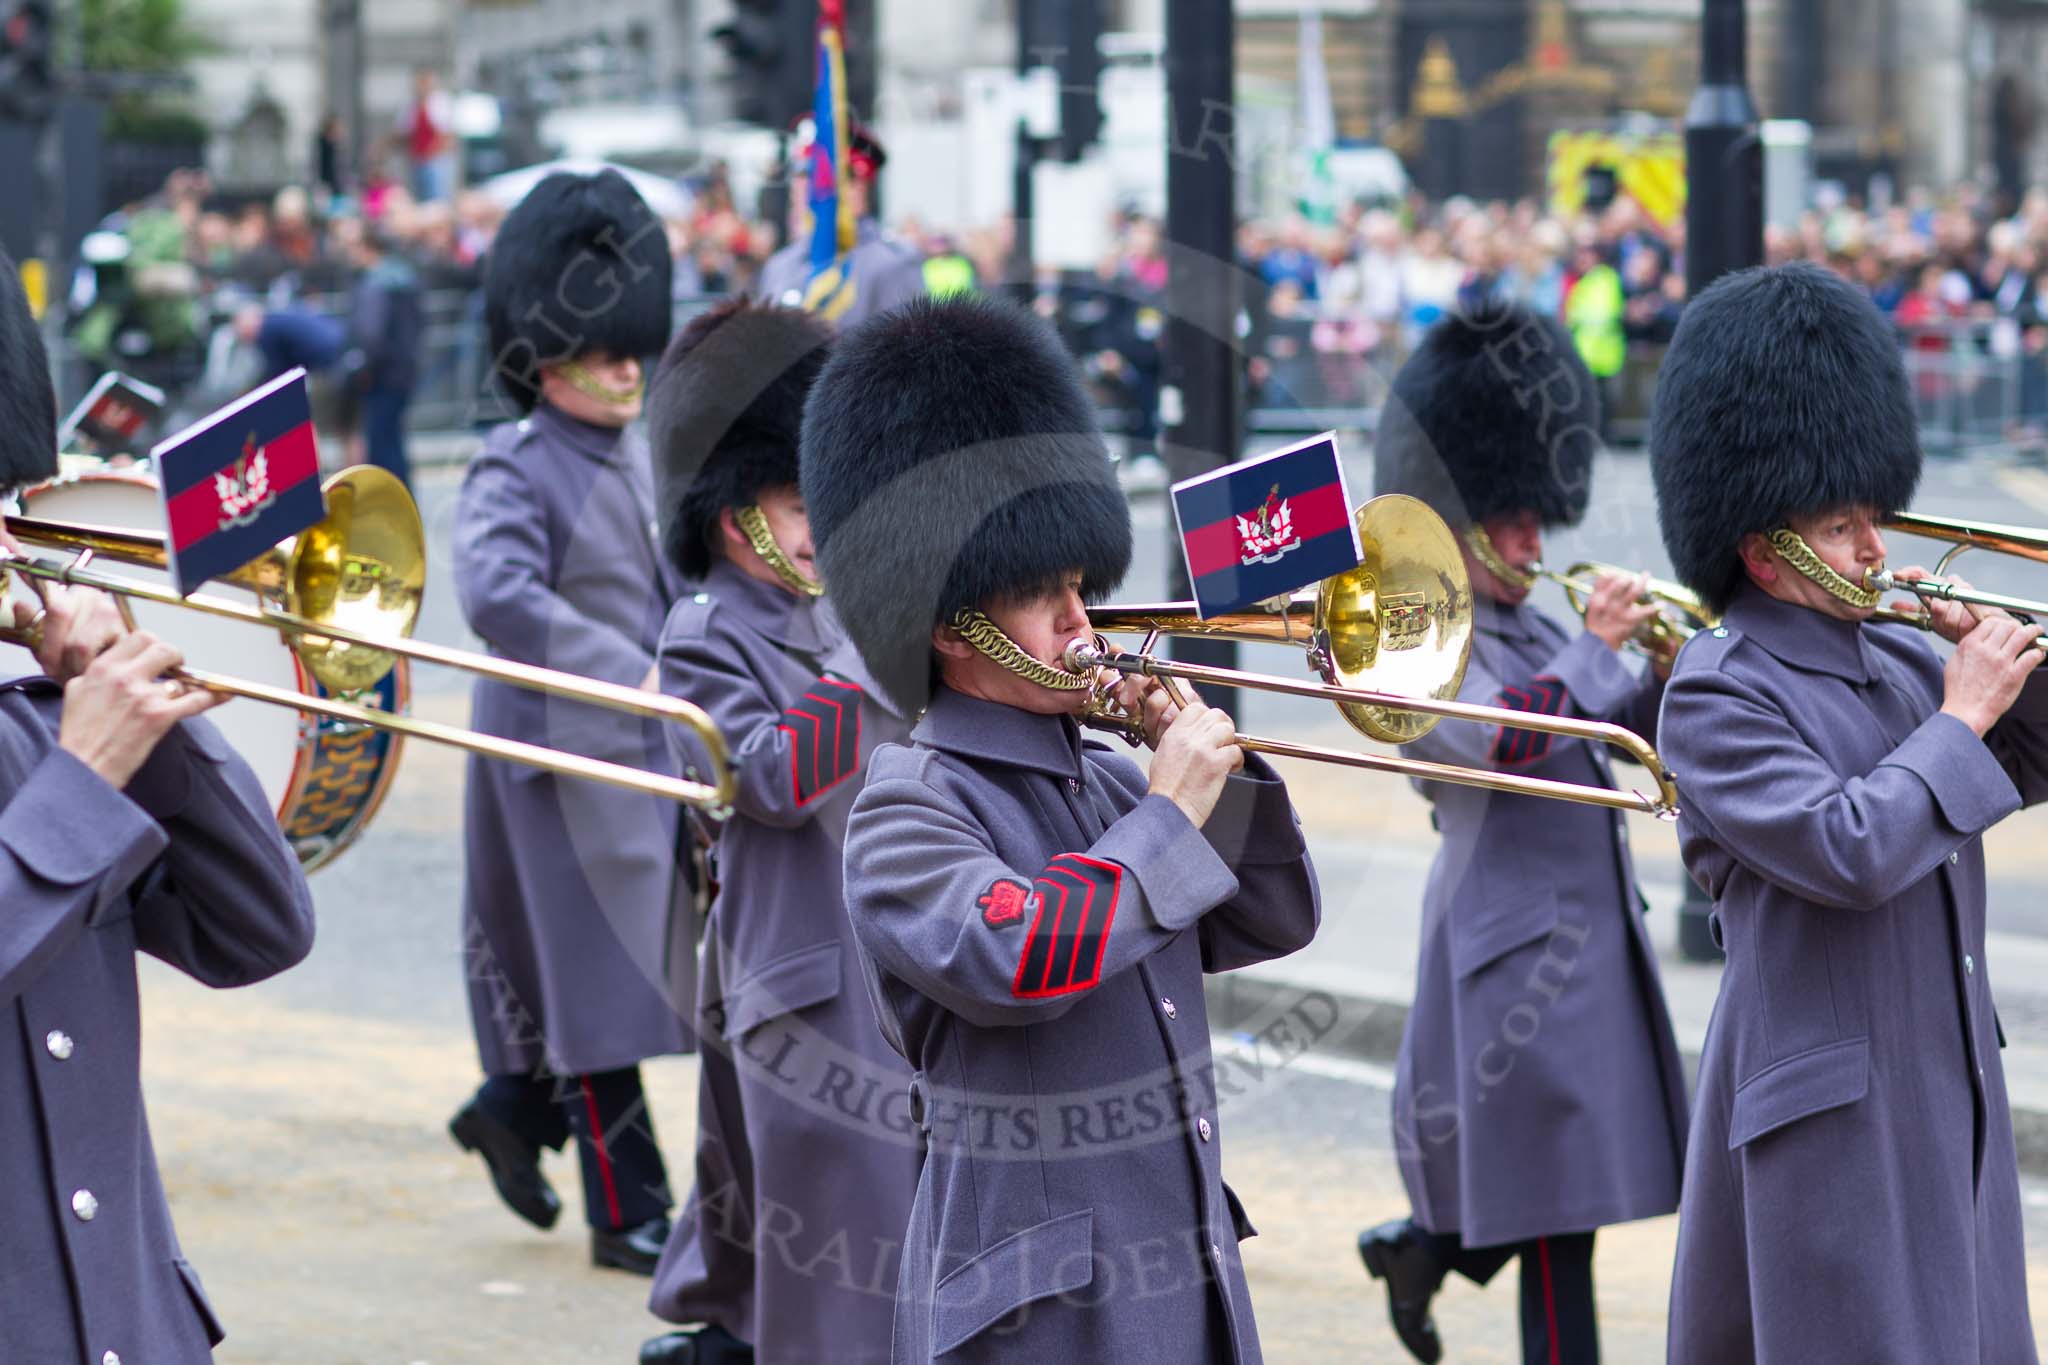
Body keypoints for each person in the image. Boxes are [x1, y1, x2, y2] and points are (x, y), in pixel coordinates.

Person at [805, 294, 1321, 1362]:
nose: (1082, 624)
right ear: (952, 628)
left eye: (1079, 586)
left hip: (1174, 1283)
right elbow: (1020, 954)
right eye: (1044, 596)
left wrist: (1211, 773)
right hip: (1039, 1317)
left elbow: (1270, 917)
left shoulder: (1100, 778)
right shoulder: (909, 802)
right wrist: (1170, 810)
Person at [1650, 260, 2048, 1363]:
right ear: (1758, 550)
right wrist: (1959, 713)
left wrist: (1999, 661)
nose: (1874, 550)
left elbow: (2025, 762)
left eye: (1869, 519)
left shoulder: (1891, 655)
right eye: (1839, 527)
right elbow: (1847, 848)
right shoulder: (1716, 686)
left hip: (1941, 1079)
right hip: (1827, 1117)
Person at [1355, 303, 1689, 1365]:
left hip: (1585, 946)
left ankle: (1425, 1248)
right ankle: (1438, 1253)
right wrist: (1597, 657)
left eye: (1535, 520)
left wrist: (1659, 678)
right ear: (1448, 520)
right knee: (1553, 1221)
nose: (1530, 541)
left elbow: (1600, 738)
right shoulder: (1414, 639)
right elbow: (1495, 741)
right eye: (1507, 520)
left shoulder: (1543, 623)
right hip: (1511, 963)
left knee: (1561, 1204)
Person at [0, 245, 317, 1364]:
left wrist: (143, 714)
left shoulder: (27, 706)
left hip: (126, 1319)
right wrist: (79, 781)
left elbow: (260, 933)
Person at [639, 297, 919, 1365]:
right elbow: (769, 779)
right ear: (734, 515)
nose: (827, 527)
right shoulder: (703, 635)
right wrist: (868, 649)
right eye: (806, 502)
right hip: (795, 968)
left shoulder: (829, 614)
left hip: (881, 954)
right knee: (839, 1267)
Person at [448, 169, 690, 1277]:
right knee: (598, 984)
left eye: (635, 347)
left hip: (644, 750)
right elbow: (498, 592)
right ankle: (627, 1210)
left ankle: (509, 1107)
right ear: (545, 361)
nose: (630, 366)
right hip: (556, 752)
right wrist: (620, 671)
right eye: (606, 352)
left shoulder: (642, 455)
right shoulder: (516, 460)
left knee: (617, 974)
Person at [753, 121, 924, 328]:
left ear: (856, 188)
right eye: (798, 177)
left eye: (815, 179)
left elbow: (904, 354)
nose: (799, 189)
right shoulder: (780, 266)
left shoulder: (890, 265)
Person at [340, 226, 421, 486]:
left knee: (382, 446)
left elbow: (371, 334)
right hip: (403, 370)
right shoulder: (405, 278)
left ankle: (391, 506)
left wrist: (363, 367)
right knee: (393, 442)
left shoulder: (376, 284)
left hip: (381, 375)